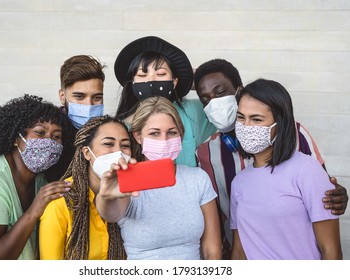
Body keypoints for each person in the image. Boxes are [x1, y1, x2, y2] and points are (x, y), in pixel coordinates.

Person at [194, 58, 348, 258]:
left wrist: (336, 196)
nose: (214, 102)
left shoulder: (297, 138)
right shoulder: (208, 155)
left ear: (238, 91)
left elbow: (323, 195)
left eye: (220, 92)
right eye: (206, 99)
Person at [96, 96, 222, 260]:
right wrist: (105, 197)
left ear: (181, 135)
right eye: (154, 133)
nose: (164, 140)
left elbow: (212, 250)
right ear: (138, 136)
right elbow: (110, 214)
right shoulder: (127, 179)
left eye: (172, 132)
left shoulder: (198, 179)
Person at [230, 79, 342, 259]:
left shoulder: (307, 170)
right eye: (241, 117)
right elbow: (239, 251)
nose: (246, 126)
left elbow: (331, 250)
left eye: (256, 119)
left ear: (280, 124)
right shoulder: (239, 182)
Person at [0, 94, 73, 260]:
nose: (49, 142)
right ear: (16, 139)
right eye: (40, 133)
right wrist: (32, 212)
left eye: (56, 136)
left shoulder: (40, 181)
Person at [114, 36, 216, 167]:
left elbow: (230, 108)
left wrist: (198, 79)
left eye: (161, 74)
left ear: (174, 81)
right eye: (142, 75)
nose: (152, 81)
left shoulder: (192, 112)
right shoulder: (122, 127)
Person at [39, 116, 129, 260]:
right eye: (108, 144)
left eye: (125, 146)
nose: (119, 153)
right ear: (87, 153)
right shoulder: (60, 203)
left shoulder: (130, 197)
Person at [45, 55, 106, 182]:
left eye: (97, 97)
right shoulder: (48, 133)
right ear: (62, 96)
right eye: (79, 97)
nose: (89, 104)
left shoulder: (107, 131)